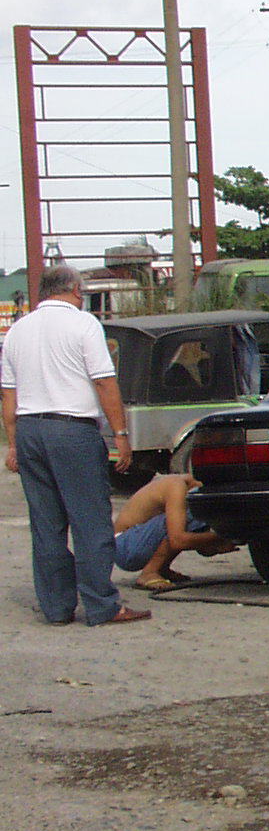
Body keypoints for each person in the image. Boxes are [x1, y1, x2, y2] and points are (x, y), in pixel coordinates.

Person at [0, 264, 150, 626]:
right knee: (90, 520)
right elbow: (104, 383)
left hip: (30, 429)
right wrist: (121, 434)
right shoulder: (84, 324)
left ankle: (56, 607)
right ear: (76, 290)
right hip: (72, 430)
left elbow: (9, 394)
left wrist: (13, 444)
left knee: (46, 524)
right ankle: (101, 604)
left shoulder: (18, 330)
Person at [111, 474, 237, 592]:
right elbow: (178, 540)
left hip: (131, 545)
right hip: (125, 547)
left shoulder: (184, 487)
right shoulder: (177, 486)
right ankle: (149, 572)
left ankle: (162, 568)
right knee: (186, 519)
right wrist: (223, 536)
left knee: (185, 520)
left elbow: (202, 549)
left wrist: (213, 543)